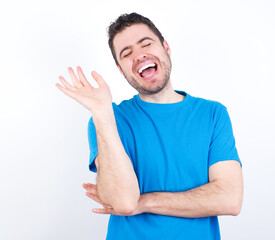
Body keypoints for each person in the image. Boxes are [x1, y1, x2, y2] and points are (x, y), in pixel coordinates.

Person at [56, 12, 243, 240]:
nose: (138, 55)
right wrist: (102, 115)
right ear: (120, 69)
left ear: (166, 47)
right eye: (127, 53)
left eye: (146, 43)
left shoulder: (213, 114)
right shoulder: (107, 119)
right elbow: (123, 202)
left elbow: (229, 199)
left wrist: (143, 202)